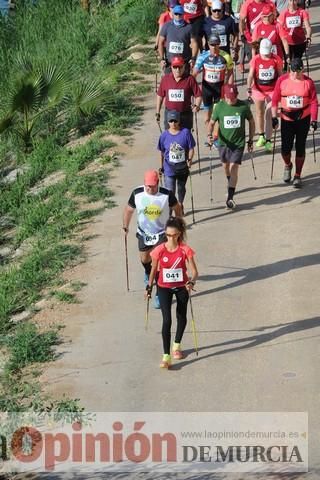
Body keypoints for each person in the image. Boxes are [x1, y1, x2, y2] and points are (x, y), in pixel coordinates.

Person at [123, 170, 182, 308]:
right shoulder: (137, 193)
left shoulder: (166, 194)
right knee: (145, 259)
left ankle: (158, 294)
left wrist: (178, 222)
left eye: (153, 186)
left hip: (162, 233)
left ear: (158, 183)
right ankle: (147, 271)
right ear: (144, 183)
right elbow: (128, 210)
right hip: (144, 232)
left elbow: (177, 207)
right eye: (148, 186)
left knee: (158, 264)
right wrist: (125, 226)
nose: (150, 189)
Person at [145, 216, 198, 369]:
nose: (170, 238)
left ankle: (177, 345)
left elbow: (194, 272)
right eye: (168, 235)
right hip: (164, 287)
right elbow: (154, 269)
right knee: (166, 320)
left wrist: (191, 282)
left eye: (174, 235)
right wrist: (149, 287)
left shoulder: (185, 250)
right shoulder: (159, 250)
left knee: (181, 316)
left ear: (179, 234)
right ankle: (166, 356)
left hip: (182, 287)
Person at [271, 57, 318, 188]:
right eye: (293, 71)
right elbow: (275, 101)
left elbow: (314, 102)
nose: (295, 74)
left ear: (302, 69)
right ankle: (288, 165)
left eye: (298, 71)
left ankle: (297, 175)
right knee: (285, 149)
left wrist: (314, 120)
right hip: (287, 118)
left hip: (303, 118)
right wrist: (274, 118)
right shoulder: (282, 80)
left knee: (300, 147)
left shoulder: (308, 82)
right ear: (290, 68)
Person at [207, 84, 255, 208]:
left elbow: (251, 122)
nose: (231, 100)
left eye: (233, 97)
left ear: (237, 95)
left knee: (234, 167)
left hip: (238, 144)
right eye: (229, 97)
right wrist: (209, 135)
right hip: (223, 143)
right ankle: (230, 181)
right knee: (226, 167)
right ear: (225, 96)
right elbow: (211, 123)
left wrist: (250, 140)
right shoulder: (219, 107)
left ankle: (230, 198)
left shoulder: (243, 106)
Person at [247, 38, 283, 152]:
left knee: (269, 113)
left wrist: (281, 90)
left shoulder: (276, 59)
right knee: (259, 112)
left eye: (267, 53)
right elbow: (251, 75)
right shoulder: (255, 59)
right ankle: (261, 135)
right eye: (264, 52)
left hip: (273, 90)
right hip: (258, 90)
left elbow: (281, 75)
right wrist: (249, 88)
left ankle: (268, 140)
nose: (265, 55)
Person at [157, 110, 196, 214]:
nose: (173, 123)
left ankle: (180, 203)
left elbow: (191, 148)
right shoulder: (164, 135)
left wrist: (190, 159)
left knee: (181, 188)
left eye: (175, 121)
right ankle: (169, 214)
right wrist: (161, 167)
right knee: (170, 192)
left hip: (182, 167)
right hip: (169, 168)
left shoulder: (186, 132)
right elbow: (161, 151)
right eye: (171, 121)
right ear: (167, 122)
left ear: (179, 121)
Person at [193, 33, 234, 129]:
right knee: (207, 116)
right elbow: (194, 74)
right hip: (207, 89)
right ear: (208, 44)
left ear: (219, 44)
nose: (214, 47)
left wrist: (230, 87)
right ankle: (209, 136)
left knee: (217, 115)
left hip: (219, 89)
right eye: (212, 44)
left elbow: (231, 72)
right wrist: (193, 90)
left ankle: (216, 137)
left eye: (216, 44)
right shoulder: (203, 56)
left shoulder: (226, 56)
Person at [156, 55, 202, 130]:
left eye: (180, 67)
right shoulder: (165, 79)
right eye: (175, 67)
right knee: (170, 138)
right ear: (171, 67)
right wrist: (157, 112)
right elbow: (160, 96)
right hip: (170, 114)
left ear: (184, 66)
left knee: (185, 138)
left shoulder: (190, 79)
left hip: (185, 115)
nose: (177, 70)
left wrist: (197, 106)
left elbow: (198, 95)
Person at [158, 4, 198, 74]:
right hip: (170, 63)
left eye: (180, 14)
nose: (178, 16)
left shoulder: (189, 27)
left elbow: (194, 43)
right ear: (173, 14)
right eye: (176, 14)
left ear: (183, 15)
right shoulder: (166, 26)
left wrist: (193, 58)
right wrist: (162, 59)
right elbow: (160, 42)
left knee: (184, 83)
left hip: (184, 63)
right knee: (169, 83)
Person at [239, 0, 276, 73]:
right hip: (251, 38)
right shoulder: (248, 4)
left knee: (267, 63)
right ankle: (255, 81)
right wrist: (242, 34)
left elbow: (274, 19)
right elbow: (242, 20)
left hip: (267, 39)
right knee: (254, 63)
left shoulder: (270, 3)